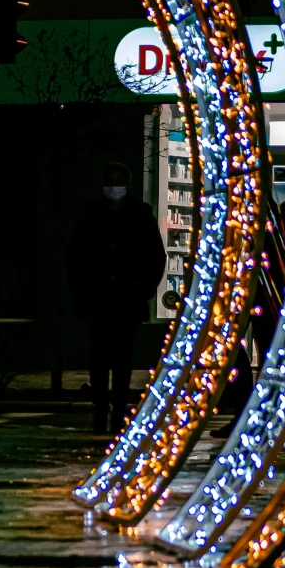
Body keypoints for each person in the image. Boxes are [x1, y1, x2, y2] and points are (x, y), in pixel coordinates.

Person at [66, 159, 166, 435]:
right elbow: (76, 258)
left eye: (117, 183)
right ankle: (101, 411)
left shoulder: (140, 214)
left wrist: (142, 288)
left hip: (126, 297)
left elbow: (155, 257)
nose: (114, 189)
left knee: (121, 360)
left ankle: (117, 410)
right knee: (100, 360)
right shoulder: (92, 214)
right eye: (110, 183)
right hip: (100, 297)